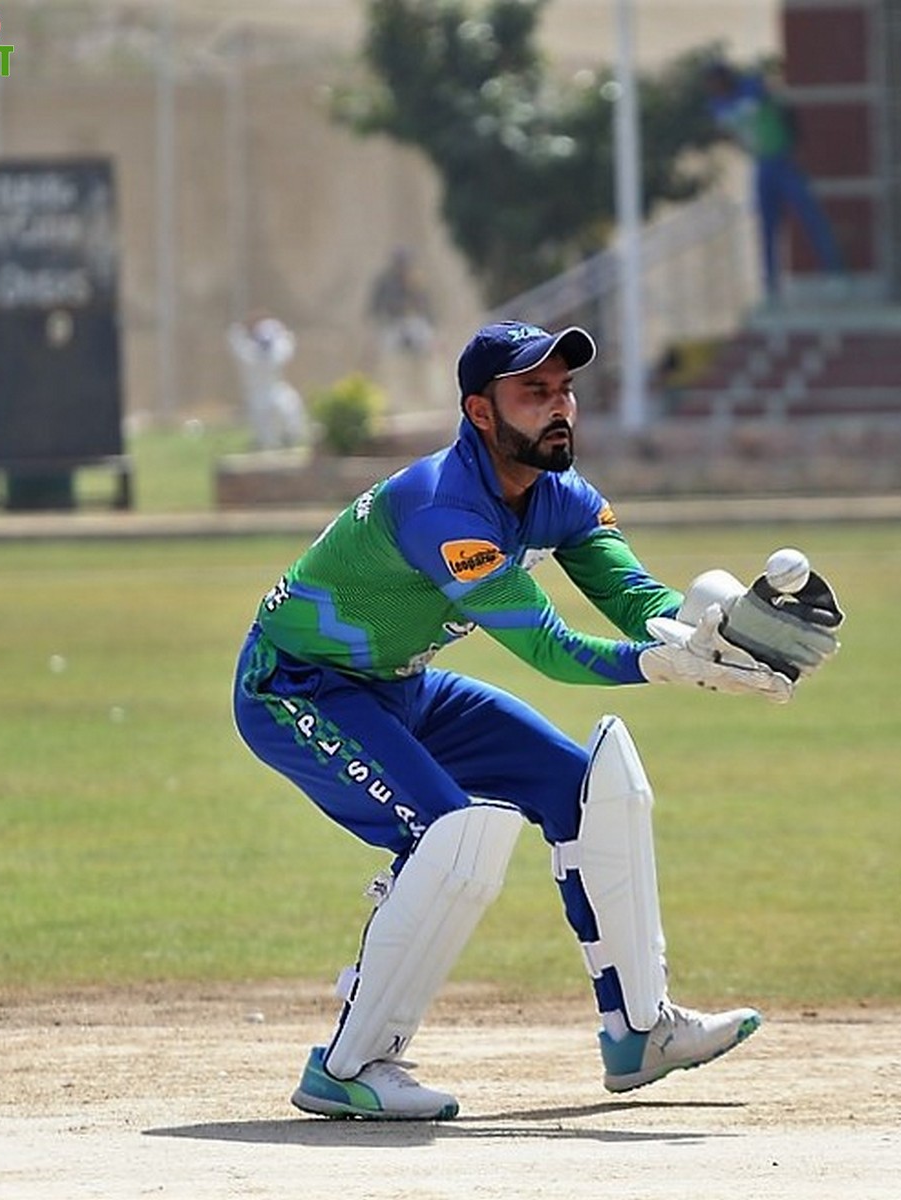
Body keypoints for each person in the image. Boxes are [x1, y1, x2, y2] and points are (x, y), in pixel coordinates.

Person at [231, 320, 844, 1120]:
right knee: (450, 837)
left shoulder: (560, 494)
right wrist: (659, 665)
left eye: (565, 390)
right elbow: (549, 648)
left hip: (400, 686)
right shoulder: (443, 507)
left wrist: (721, 633)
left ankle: (640, 1031)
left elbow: (635, 598)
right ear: (480, 412)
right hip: (298, 688)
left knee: (588, 790)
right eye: (534, 393)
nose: (560, 407)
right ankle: (350, 1065)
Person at [703, 61, 845, 298]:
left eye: (715, 82)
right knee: (767, 225)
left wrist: (796, 144)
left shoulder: (751, 88)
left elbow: (784, 109)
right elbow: (729, 133)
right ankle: (771, 284)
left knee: (810, 216)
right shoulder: (717, 106)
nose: (713, 88)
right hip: (761, 163)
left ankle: (835, 272)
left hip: (784, 159)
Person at [227, 315, 309, 451]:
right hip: (267, 393)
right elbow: (288, 341)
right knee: (281, 419)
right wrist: (283, 331)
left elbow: (236, 342)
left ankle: (282, 440)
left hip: (266, 394)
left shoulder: (250, 353)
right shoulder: (273, 354)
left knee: (289, 411)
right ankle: (277, 442)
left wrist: (238, 328)